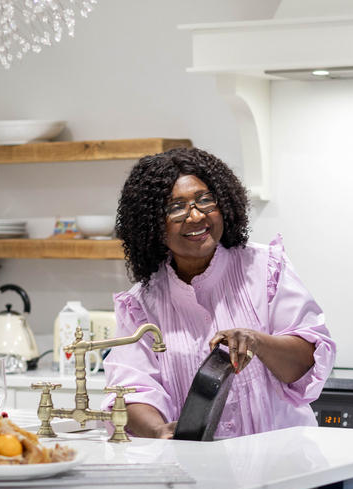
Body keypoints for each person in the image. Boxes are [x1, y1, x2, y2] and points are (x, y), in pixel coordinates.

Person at [104, 148, 335, 439]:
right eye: (176, 207)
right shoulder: (141, 304)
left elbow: (303, 363)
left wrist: (257, 342)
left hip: (281, 465)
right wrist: (159, 429)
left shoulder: (266, 268)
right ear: (151, 224)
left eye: (204, 200)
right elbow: (132, 390)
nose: (196, 216)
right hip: (196, 471)